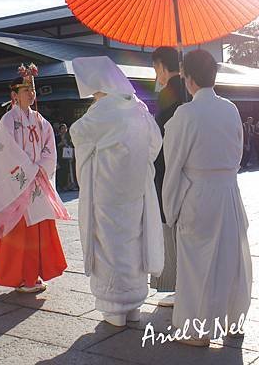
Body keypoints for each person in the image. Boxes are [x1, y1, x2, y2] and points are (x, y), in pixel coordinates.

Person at [163, 49, 252, 347]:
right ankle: (233, 319)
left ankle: (196, 331)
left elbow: (173, 165)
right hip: (228, 191)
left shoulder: (185, 114)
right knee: (230, 259)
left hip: (198, 194)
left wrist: (170, 208)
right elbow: (238, 153)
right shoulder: (230, 109)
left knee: (196, 264)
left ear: (188, 79)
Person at [70, 56, 164, 327]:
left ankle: (114, 307)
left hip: (107, 189)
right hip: (135, 188)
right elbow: (154, 144)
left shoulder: (102, 109)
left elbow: (78, 134)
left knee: (110, 246)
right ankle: (133, 304)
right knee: (133, 242)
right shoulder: (139, 107)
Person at [0, 63, 69, 292]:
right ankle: (23, 278)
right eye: (26, 90)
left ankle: (33, 276)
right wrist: (29, 169)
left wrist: (40, 169)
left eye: (33, 90)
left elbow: (50, 148)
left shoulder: (41, 121)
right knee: (21, 233)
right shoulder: (8, 120)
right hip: (20, 184)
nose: (31, 94)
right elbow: (4, 151)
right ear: (14, 95)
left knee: (38, 232)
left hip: (36, 181)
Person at [150, 46, 182, 302]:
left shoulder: (169, 93)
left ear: (161, 66)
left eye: (155, 69)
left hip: (169, 171)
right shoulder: (187, 89)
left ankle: (179, 286)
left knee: (172, 228)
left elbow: (161, 135)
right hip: (188, 172)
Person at [56, 123, 77, 191]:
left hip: (68, 156)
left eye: (65, 128)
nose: (64, 130)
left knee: (69, 171)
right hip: (60, 157)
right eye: (62, 128)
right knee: (61, 171)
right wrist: (61, 143)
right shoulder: (57, 137)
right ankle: (61, 186)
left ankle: (70, 185)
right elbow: (55, 147)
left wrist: (72, 155)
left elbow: (72, 146)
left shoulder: (69, 137)